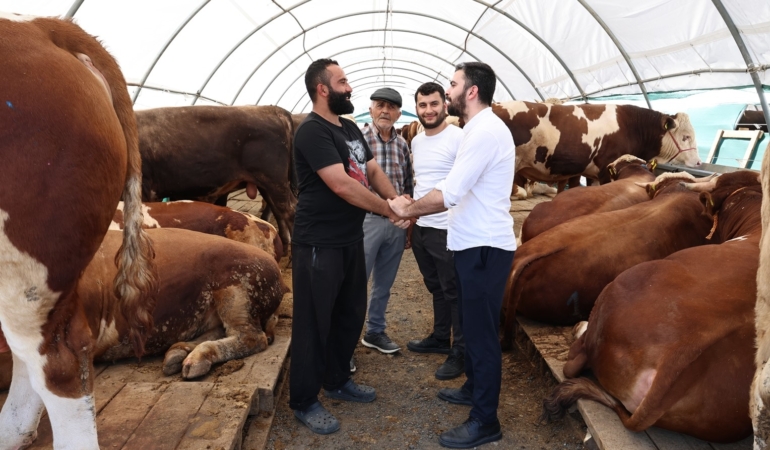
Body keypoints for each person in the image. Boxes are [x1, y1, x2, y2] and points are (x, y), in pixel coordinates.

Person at [389, 62, 516, 449]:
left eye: (453, 84)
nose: (449, 91)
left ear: (471, 91)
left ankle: (485, 420)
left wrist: (406, 211)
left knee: (480, 337)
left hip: (484, 247)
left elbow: (450, 192)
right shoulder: (478, 129)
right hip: (470, 243)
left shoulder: (483, 132)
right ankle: (473, 388)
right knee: (472, 325)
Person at [290, 58, 409, 435]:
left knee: (349, 312)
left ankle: (337, 380)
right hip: (317, 242)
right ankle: (304, 400)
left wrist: (396, 200)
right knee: (313, 321)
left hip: (348, 238)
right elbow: (341, 184)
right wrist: (389, 211)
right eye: (343, 82)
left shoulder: (351, 128)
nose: (350, 88)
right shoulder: (312, 131)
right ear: (322, 88)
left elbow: (372, 172)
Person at [406, 82, 466, 381]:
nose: (428, 110)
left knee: (454, 291)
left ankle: (460, 350)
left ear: (444, 104)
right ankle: (441, 337)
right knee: (436, 286)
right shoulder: (416, 140)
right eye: (422, 105)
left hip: (448, 229)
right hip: (423, 227)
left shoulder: (459, 138)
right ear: (416, 108)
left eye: (433, 104)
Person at [359, 87, 414, 354]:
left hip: (395, 224)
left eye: (391, 107)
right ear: (370, 110)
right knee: (356, 282)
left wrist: (408, 222)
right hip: (366, 221)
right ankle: (345, 343)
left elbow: (406, 185)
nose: (385, 111)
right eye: (380, 105)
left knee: (384, 283)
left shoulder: (402, 144)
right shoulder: (357, 140)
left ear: (398, 113)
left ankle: (375, 331)